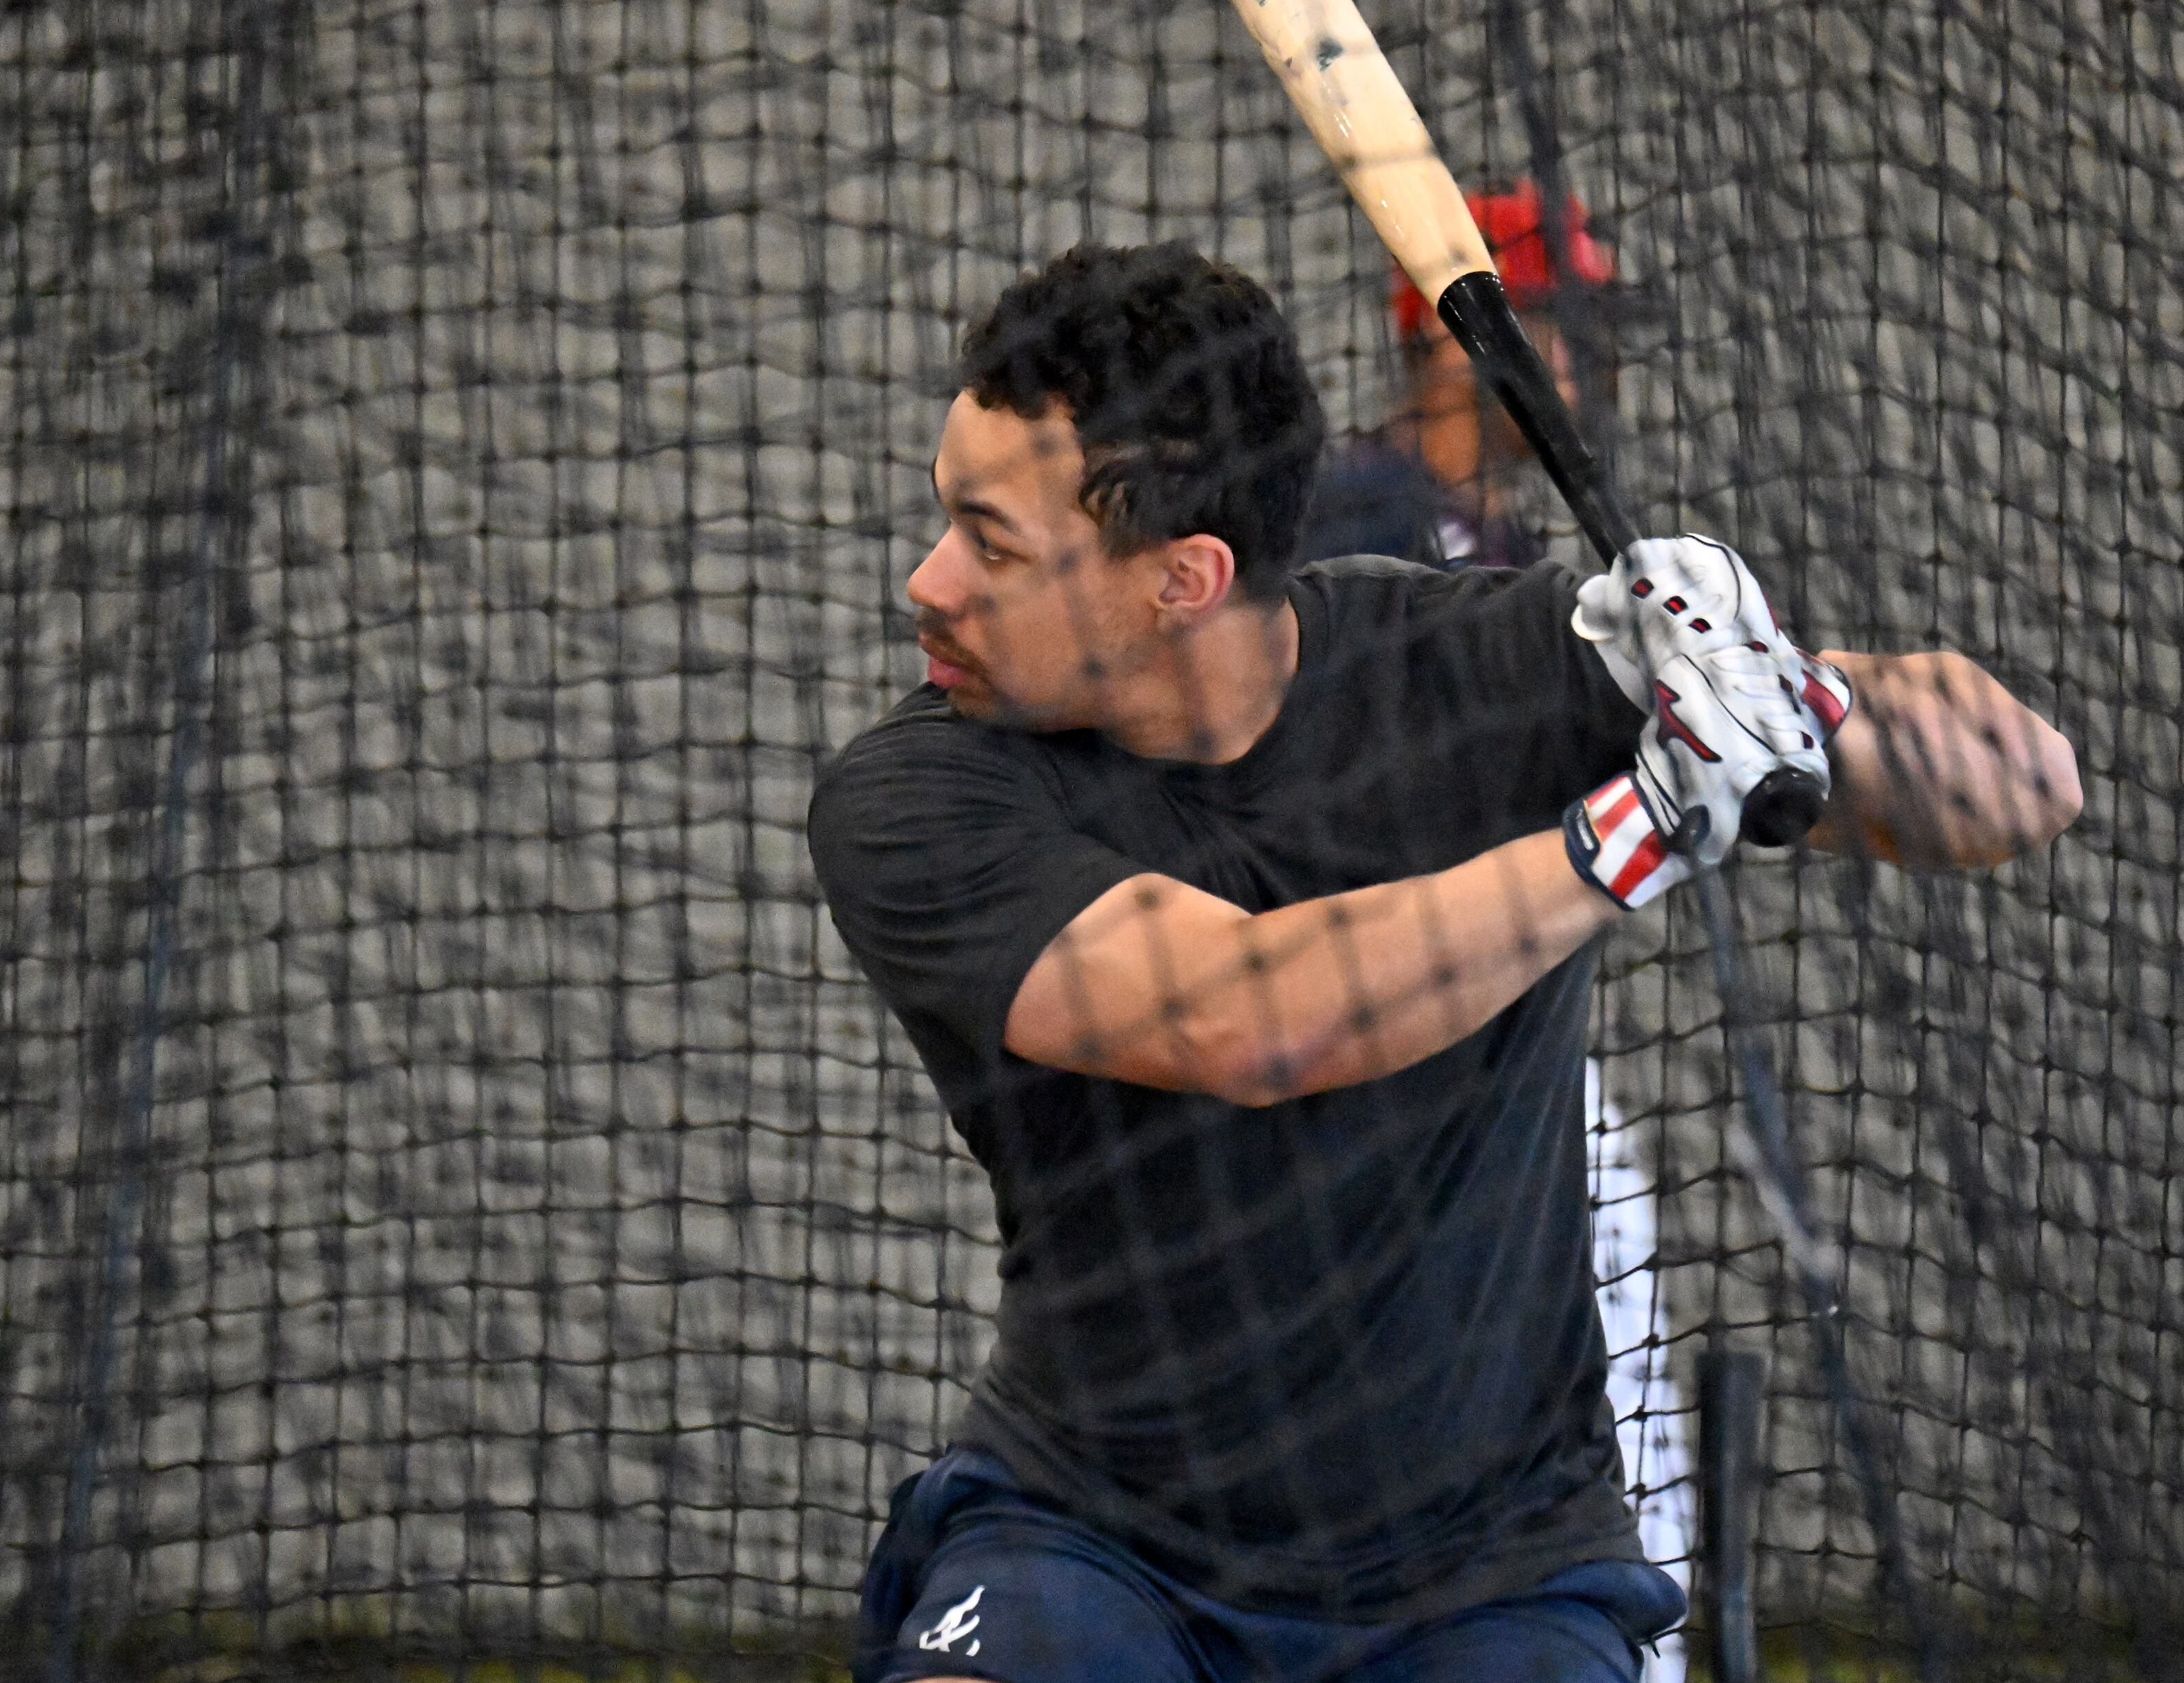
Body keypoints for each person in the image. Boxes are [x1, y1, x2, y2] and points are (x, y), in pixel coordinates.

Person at [809, 242, 2080, 1683]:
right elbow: (1248, 1013)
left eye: (993, 542)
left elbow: (2025, 782)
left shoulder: (1487, 664)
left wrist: (1794, 686)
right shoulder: (923, 794)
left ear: (1182, 577)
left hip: (1484, 1572)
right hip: (1100, 1535)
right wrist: (1636, 829)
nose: (929, 582)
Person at [1299, 183, 1687, 1677]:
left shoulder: (1517, 541)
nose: (1595, 370)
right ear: (1476, 343)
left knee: (1613, 1371)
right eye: (1573, 332)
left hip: (1503, 1043)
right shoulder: (1359, 512)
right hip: (1395, 1055)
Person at [1299, 181, 1612, 570]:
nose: (1578, 360)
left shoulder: (1514, 547)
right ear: (1451, 330)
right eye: (1552, 320)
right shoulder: (1355, 522)